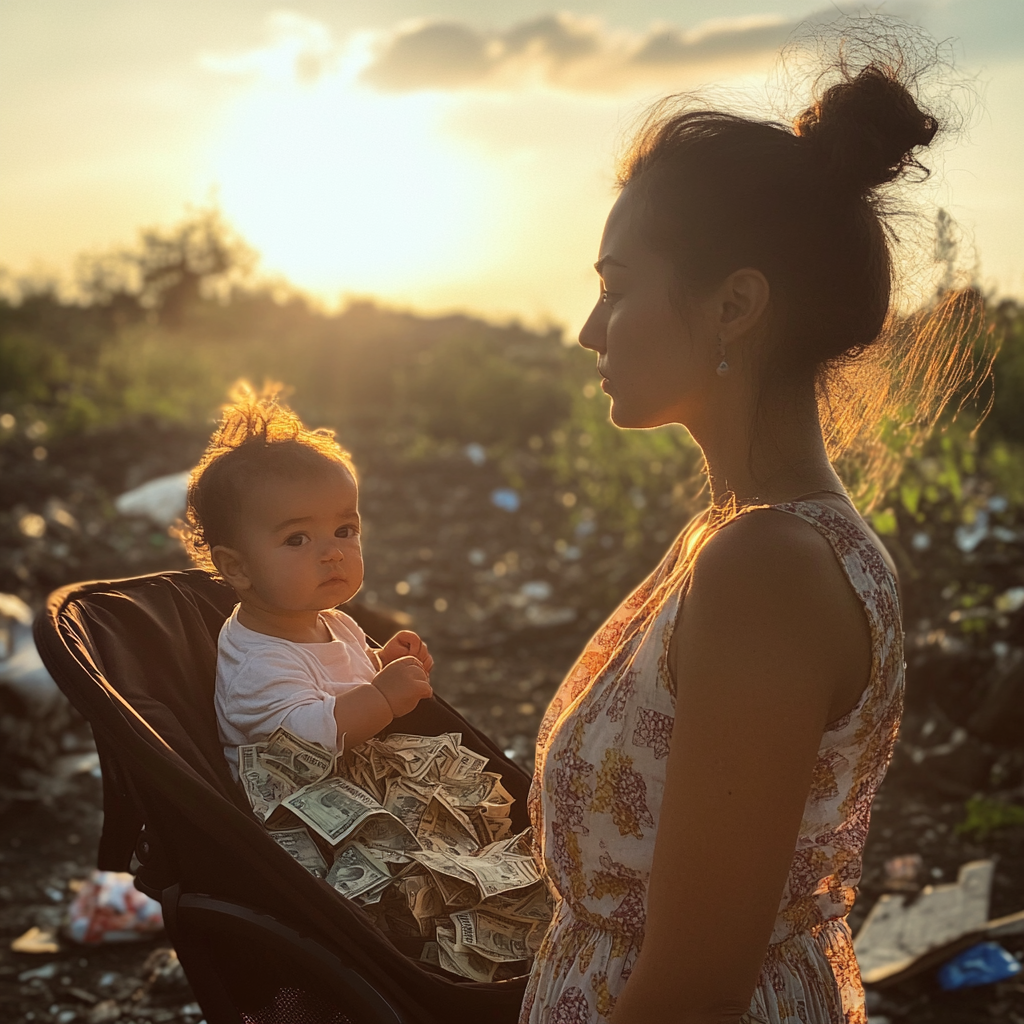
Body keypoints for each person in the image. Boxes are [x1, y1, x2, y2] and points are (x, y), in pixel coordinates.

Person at [521, 39, 983, 1024]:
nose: (588, 329)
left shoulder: (765, 567)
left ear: (733, 305)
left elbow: (692, 990)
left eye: (615, 283)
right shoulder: (736, 536)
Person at [178, 386, 434, 779]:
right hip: (295, 813)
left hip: (360, 780)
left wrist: (385, 665)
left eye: (345, 530)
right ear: (237, 567)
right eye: (297, 539)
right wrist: (383, 696)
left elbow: (344, 682)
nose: (333, 553)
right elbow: (306, 740)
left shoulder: (333, 622)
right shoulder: (258, 663)